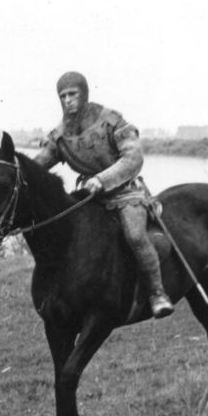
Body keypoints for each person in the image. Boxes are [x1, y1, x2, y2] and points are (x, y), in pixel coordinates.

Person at [33, 71, 174, 319]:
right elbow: (40, 163)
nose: (67, 100)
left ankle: (157, 293)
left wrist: (103, 179)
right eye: (63, 96)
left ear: (84, 93)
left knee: (135, 235)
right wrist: (18, 170)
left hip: (125, 192)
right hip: (89, 196)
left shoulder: (112, 121)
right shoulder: (59, 134)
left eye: (72, 94)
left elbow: (133, 157)